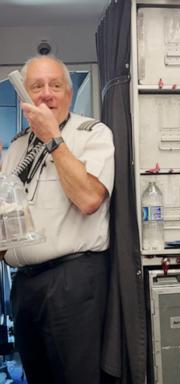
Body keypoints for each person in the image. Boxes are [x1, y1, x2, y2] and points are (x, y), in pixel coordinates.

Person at [0, 55, 114, 384]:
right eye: (37, 86)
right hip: (25, 285)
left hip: (72, 282)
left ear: (69, 93)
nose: (47, 94)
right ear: (25, 96)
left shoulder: (92, 134)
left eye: (55, 85)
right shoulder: (18, 146)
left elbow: (89, 198)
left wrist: (53, 138)